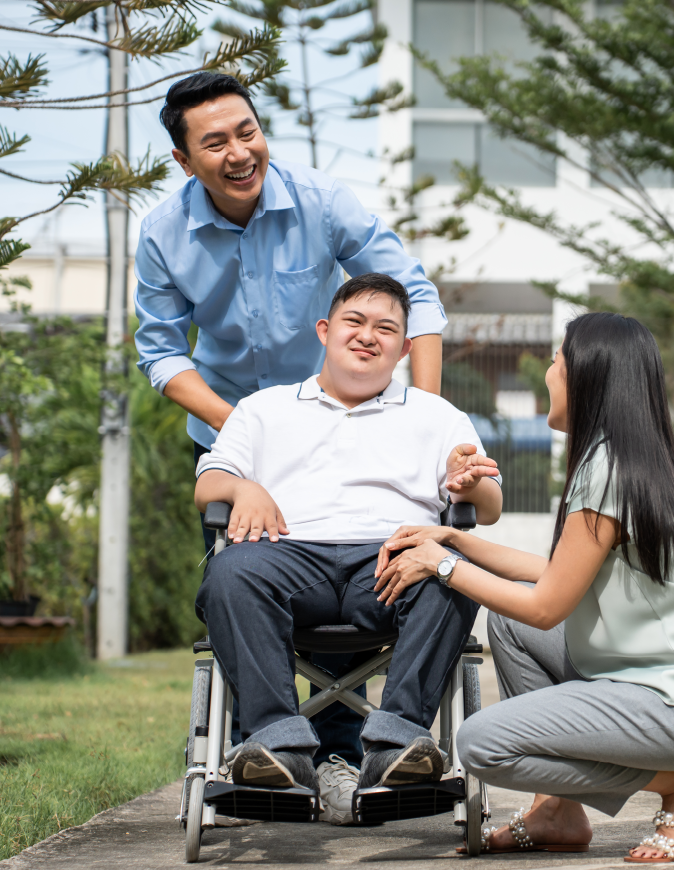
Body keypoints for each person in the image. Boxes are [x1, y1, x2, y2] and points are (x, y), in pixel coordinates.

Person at [134, 72, 450, 821]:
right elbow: (161, 355)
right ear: (185, 161)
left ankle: (341, 747)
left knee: (354, 550)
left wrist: (425, 415)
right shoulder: (161, 234)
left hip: (346, 427)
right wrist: (251, 427)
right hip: (234, 431)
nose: (240, 152)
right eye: (215, 142)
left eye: (247, 131)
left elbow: (417, 296)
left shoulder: (322, 201)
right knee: (250, 578)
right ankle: (269, 748)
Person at [373, 312, 674, 863]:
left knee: (482, 743)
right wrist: (453, 542)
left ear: (587, 375)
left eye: (557, 360)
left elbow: (548, 606)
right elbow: (553, 573)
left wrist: (441, 568)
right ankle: (557, 809)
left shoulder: (604, 469)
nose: (549, 374)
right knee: (507, 624)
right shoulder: (622, 458)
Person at [193, 274, 503, 803]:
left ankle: (397, 743)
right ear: (324, 330)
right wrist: (243, 488)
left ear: (404, 348)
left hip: (391, 560)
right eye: (354, 322)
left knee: (449, 573)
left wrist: (471, 483)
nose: (367, 336)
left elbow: (488, 507)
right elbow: (208, 484)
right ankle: (275, 747)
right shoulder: (264, 408)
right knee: (229, 570)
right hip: (287, 555)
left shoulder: (437, 416)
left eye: (386, 328)